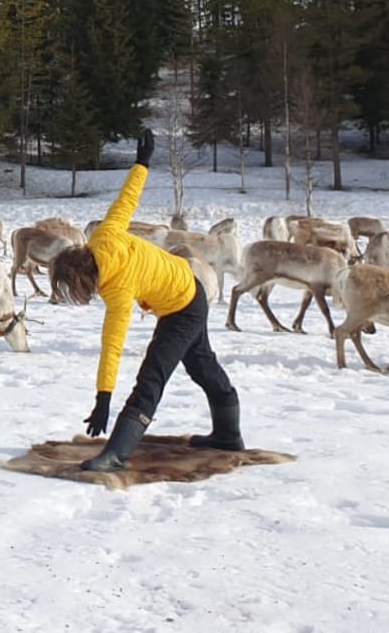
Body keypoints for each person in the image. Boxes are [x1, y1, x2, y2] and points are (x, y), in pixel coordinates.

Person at [48, 129, 243, 473]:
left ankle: (117, 454)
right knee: (202, 366)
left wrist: (104, 398)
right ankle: (228, 435)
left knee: (152, 376)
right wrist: (142, 162)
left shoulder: (117, 289)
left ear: (81, 279)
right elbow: (127, 199)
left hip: (183, 306)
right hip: (187, 291)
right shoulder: (105, 235)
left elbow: (113, 344)